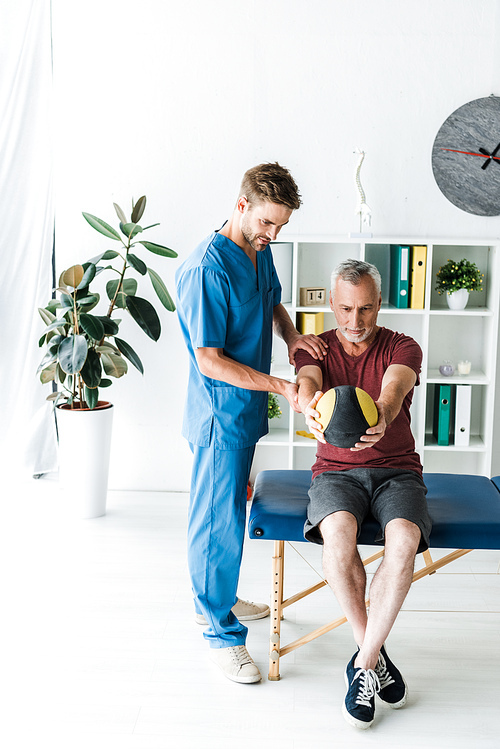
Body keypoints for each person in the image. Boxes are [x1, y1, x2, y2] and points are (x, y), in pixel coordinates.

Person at [175, 163, 327, 684]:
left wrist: (291, 339)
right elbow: (209, 360)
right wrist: (283, 386)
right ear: (241, 206)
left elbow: (273, 304)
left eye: (281, 227)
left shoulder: (258, 253)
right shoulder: (205, 269)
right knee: (217, 522)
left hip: (245, 412)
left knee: (228, 508)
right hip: (220, 415)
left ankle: (218, 596)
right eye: (267, 223)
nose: (273, 235)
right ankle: (219, 631)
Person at [295, 258, 432, 729]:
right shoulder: (315, 347)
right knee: (339, 537)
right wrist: (309, 402)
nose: (356, 322)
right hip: (334, 472)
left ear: (380, 304)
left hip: (397, 471)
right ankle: (373, 658)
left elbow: (395, 388)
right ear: (332, 304)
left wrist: (384, 416)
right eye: (346, 309)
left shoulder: (403, 345)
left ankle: (364, 662)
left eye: (367, 309)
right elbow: (309, 382)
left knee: (403, 541)